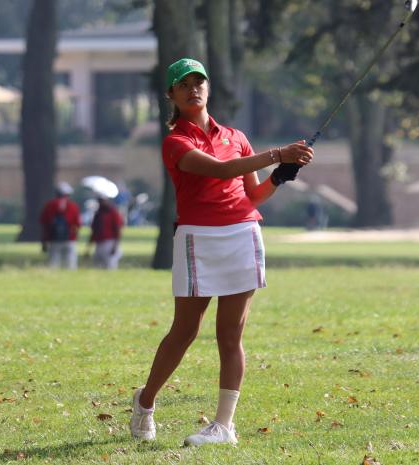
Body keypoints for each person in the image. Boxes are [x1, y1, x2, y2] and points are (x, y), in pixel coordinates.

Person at [129, 58, 313, 447]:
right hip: (199, 238)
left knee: (231, 335)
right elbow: (218, 172)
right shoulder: (176, 141)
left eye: (199, 82)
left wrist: (280, 176)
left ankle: (224, 426)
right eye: (184, 84)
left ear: (208, 88)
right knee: (185, 331)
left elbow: (254, 193)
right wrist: (278, 154)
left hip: (243, 234)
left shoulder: (236, 136)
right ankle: (145, 402)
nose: (193, 88)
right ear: (171, 95)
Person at [40, 182, 82, 269]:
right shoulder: (73, 206)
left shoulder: (49, 205)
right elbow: (78, 224)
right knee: (71, 264)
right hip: (70, 239)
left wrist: (44, 241)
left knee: (53, 263)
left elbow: (44, 224)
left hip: (53, 239)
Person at [88, 195, 124, 269]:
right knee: (97, 266)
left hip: (109, 242)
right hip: (99, 242)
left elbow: (117, 230)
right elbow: (94, 231)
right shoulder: (98, 214)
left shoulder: (113, 212)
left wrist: (115, 246)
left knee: (110, 266)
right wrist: (88, 247)